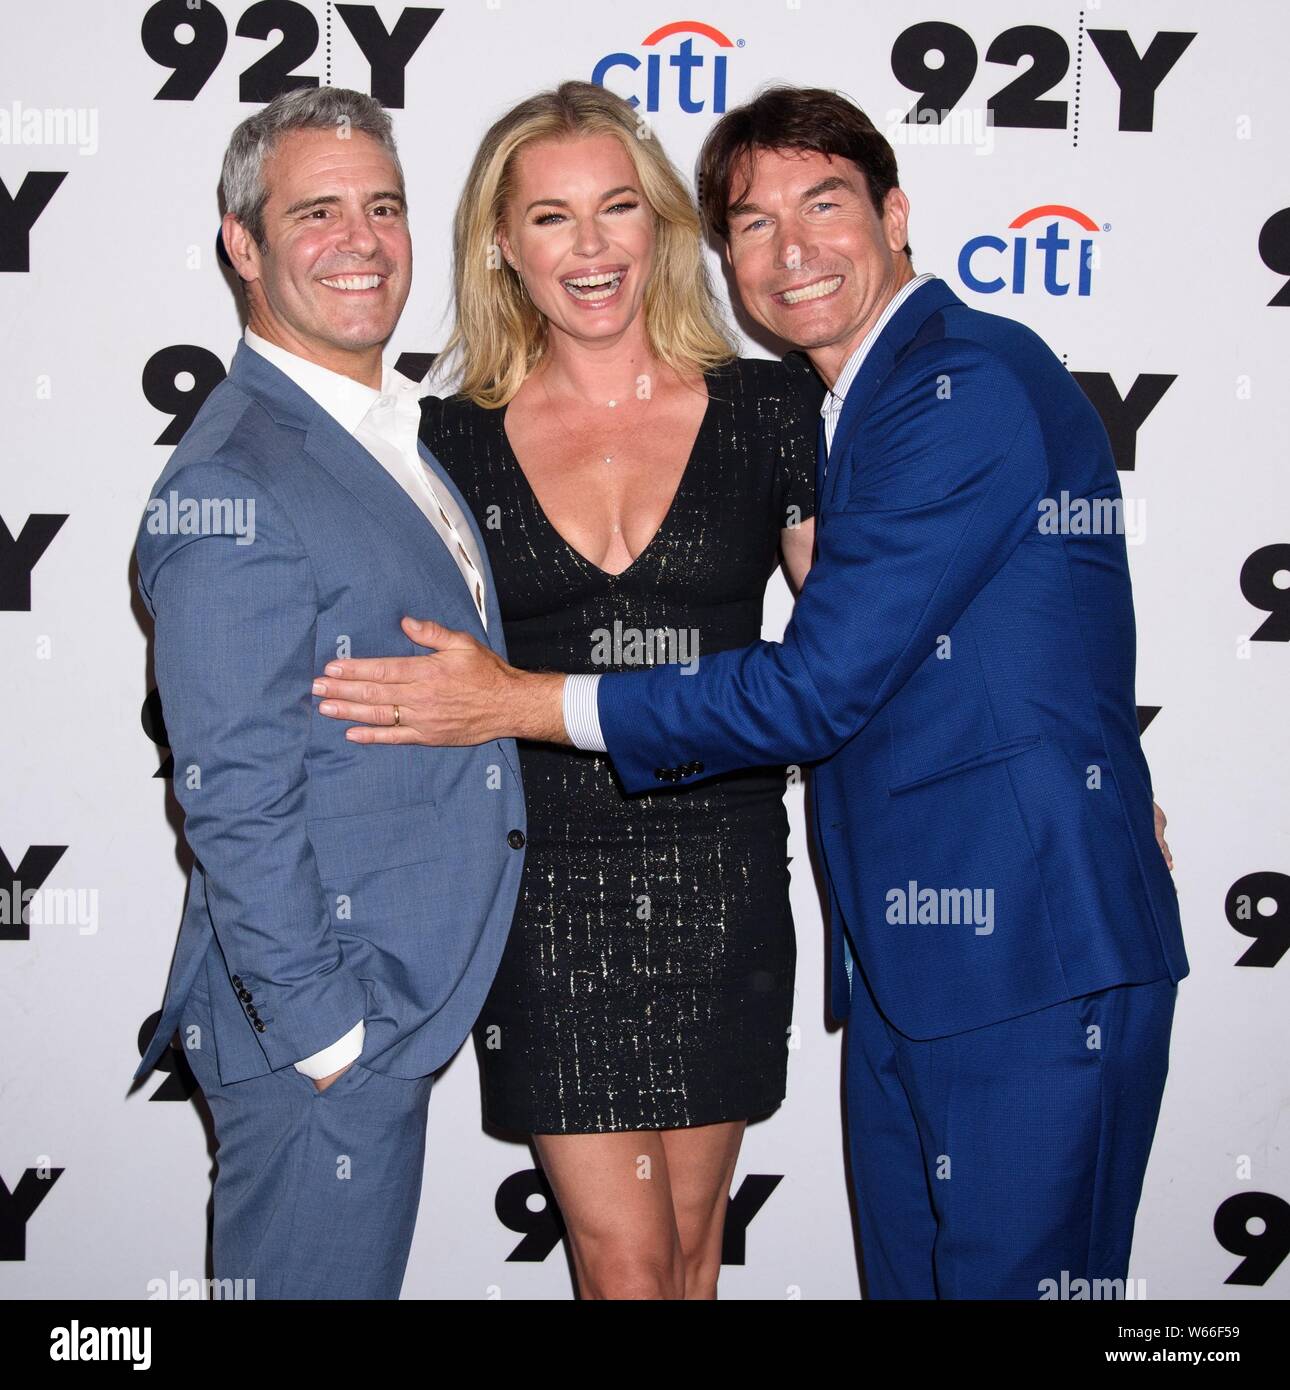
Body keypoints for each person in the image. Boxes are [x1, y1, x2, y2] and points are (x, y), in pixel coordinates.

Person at [312, 85, 1187, 1300]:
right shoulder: (855, 408)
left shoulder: (940, 390)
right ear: (502, 242)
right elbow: (920, 642)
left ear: (896, 213)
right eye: (757, 224)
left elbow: (823, 678)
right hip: (836, 945)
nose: (792, 251)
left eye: (823, 206)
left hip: (999, 941)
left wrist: (520, 700)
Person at [418, 82, 814, 1299]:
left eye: (617, 208)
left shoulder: (770, 408)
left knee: (691, 1257)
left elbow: (867, 647)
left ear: (661, 227)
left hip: (725, 872)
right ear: (501, 244)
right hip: (548, 890)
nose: (590, 248)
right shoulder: (444, 438)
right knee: (626, 1263)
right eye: (550, 217)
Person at [131, 87, 525, 1299]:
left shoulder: (374, 429)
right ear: (243, 246)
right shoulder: (237, 478)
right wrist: (324, 1033)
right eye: (317, 212)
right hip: (323, 1033)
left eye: (384, 206)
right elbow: (231, 790)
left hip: (377, 1007)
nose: (362, 239)